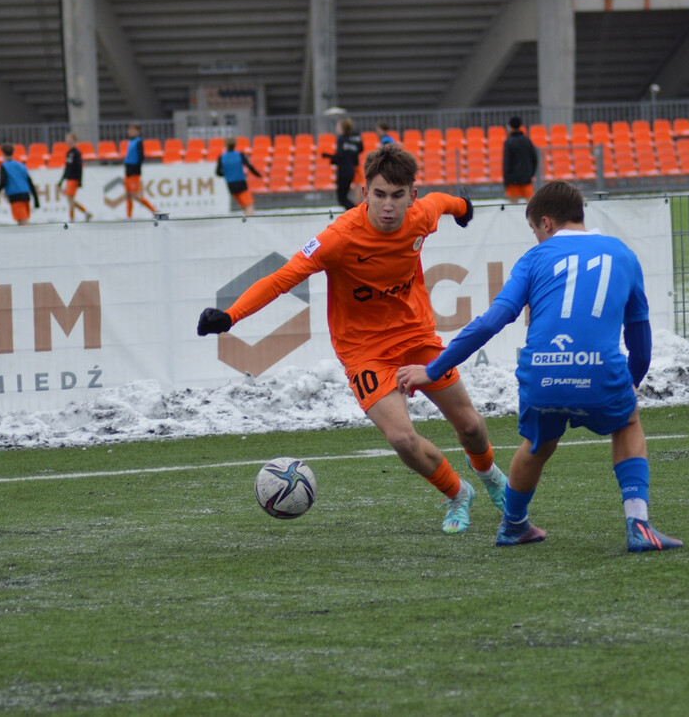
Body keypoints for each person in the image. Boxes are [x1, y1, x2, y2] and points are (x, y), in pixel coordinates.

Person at [198, 144, 508, 534]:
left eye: (397, 196)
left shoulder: (421, 215)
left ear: (412, 196)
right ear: (365, 194)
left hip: (416, 337)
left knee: (470, 427)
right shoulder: (338, 238)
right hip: (364, 351)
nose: (388, 206)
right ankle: (457, 494)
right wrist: (230, 316)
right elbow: (281, 279)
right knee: (401, 437)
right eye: (379, 195)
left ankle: (491, 475)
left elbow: (443, 202)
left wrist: (463, 209)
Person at [397, 180, 683, 553]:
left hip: (542, 375)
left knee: (537, 444)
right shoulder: (622, 254)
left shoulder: (534, 259)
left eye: (533, 230)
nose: (536, 237)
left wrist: (433, 370)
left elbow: (490, 322)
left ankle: (514, 525)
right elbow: (639, 340)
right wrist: (630, 383)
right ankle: (638, 525)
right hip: (599, 370)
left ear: (546, 223)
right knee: (627, 422)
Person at [215, 137, 262, 217]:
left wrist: (227, 174)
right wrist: (258, 174)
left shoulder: (222, 157)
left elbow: (218, 173)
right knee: (249, 205)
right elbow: (249, 166)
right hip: (241, 183)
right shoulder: (239, 155)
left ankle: (246, 222)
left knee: (244, 206)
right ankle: (249, 224)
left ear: (225, 145)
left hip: (231, 184)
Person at [322, 117, 363, 209]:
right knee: (344, 197)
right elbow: (358, 150)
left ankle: (356, 213)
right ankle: (356, 212)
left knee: (342, 198)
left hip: (343, 171)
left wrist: (328, 156)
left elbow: (339, 156)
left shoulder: (341, 139)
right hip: (351, 170)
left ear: (341, 128)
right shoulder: (352, 141)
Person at [0, 143, 40, 225]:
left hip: (15, 195)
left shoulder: (4, 166)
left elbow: (3, 182)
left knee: (23, 221)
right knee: (22, 220)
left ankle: (31, 237)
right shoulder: (21, 165)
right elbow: (30, 182)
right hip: (25, 194)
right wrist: (36, 200)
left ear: (3, 153)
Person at [124, 123, 158, 219]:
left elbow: (140, 157)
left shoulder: (138, 142)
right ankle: (129, 216)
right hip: (128, 173)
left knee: (136, 196)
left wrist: (136, 170)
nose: (130, 132)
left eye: (132, 130)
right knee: (129, 196)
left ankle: (154, 210)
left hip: (134, 173)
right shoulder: (130, 142)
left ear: (137, 131)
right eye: (129, 130)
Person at [57, 132, 93, 222]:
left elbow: (79, 167)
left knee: (70, 198)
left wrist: (80, 181)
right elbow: (66, 168)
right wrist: (61, 181)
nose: (67, 140)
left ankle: (72, 218)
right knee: (70, 199)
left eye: (68, 138)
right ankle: (86, 213)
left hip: (74, 179)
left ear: (73, 140)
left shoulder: (77, 153)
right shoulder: (68, 153)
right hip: (69, 179)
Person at [503, 116, 538, 203]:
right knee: (530, 206)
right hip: (526, 178)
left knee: (513, 208)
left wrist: (506, 180)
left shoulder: (509, 142)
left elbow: (506, 163)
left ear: (510, 127)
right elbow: (534, 158)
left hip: (513, 180)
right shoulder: (527, 140)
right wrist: (531, 173)